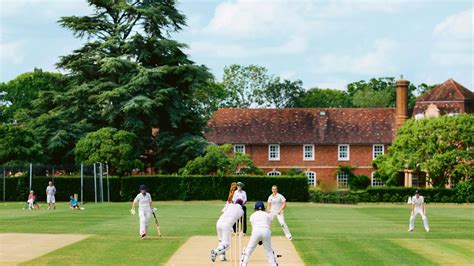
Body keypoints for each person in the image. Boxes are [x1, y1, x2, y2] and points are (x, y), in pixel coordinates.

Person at [240, 201, 278, 266]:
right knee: (268, 250)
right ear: (263, 208)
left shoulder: (252, 215)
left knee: (249, 250)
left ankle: (243, 264)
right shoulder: (267, 215)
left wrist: (258, 239)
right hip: (266, 231)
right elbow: (268, 226)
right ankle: (273, 264)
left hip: (256, 231)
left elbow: (253, 227)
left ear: (255, 208)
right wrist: (262, 239)